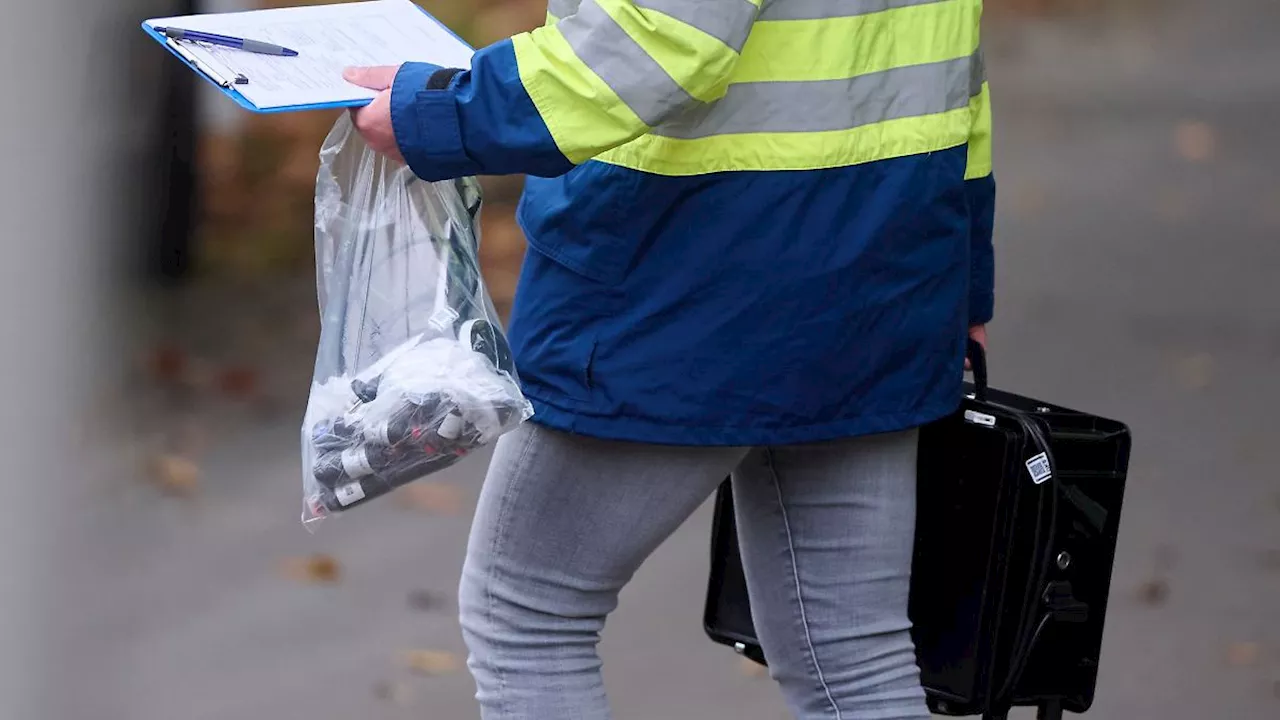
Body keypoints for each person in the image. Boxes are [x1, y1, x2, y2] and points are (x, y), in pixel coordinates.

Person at [343, 0, 994, 717]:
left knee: (528, 613)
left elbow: (657, 40)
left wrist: (442, 114)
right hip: (881, 269)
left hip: (687, 270)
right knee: (852, 656)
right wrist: (966, 272)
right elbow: (955, 78)